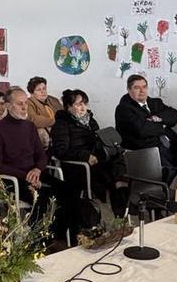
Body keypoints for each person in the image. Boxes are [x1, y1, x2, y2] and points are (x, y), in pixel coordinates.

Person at [0, 87, 81, 241]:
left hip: (35, 173)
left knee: (69, 189)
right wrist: (27, 176)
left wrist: (37, 170)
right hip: (12, 178)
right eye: (20, 104)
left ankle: (66, 235)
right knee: (43, 198)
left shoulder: (29, 127)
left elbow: (41, 155)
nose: (25, 107)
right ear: (9, 106)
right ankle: (40, 240)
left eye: (25, 103)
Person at [51, 89, 128, 217]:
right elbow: (60, 151)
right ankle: (119, 202)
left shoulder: (90, 121)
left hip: (96, 160)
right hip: (77, 166)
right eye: (78, 104)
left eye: (85, 103)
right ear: (68, 107)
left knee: (118, 158)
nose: (83, 108)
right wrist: (85, 156)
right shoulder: (62, 124)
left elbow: (99, 141)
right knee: (109, 176)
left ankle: (121, 193)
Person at [115, 74, 177, 180]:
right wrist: (163, 126)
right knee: (169, 171)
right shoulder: (124, 109)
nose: (142, 91)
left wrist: (159, 118)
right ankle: (163, 195)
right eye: (137, 87)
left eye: (144, 87)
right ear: (129, 90)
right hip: (147, 151)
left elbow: (174, 115)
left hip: (171, 146)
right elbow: (143, 130)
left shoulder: (154, 103)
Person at [26, 76, 62, 148]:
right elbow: (34, 120)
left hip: (59, 128)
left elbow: (63, 114)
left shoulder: (54, 100)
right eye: (39, 90)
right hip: (43, 131)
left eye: (44, 88)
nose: (43, 92)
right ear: (32, 93)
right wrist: (55, 121)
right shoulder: (28, 103)